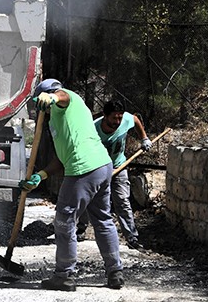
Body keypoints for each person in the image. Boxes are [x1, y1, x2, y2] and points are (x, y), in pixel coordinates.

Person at [20, 79, 124, 291]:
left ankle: (64, 275)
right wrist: (40, 175)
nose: (41, 109)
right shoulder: (56, 121)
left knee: (64, 220)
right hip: (101, 166)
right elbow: (61, 158)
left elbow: (63, 96)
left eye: (40, 102)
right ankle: (115, 272)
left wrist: (51, 96)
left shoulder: (69, 100)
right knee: (102, 219)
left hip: (83, 169)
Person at [76, 100, 151, 249]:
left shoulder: (126, 119)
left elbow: (135, 120)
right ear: (105, 115)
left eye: (120, 118)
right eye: (114, 118)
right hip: (96, 167)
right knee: (88, 198)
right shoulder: (93, 129)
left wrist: (144, 138)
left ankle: (132, 237)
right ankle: (81, 229)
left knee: (122, 201)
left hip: (119, 165)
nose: (117, 121)